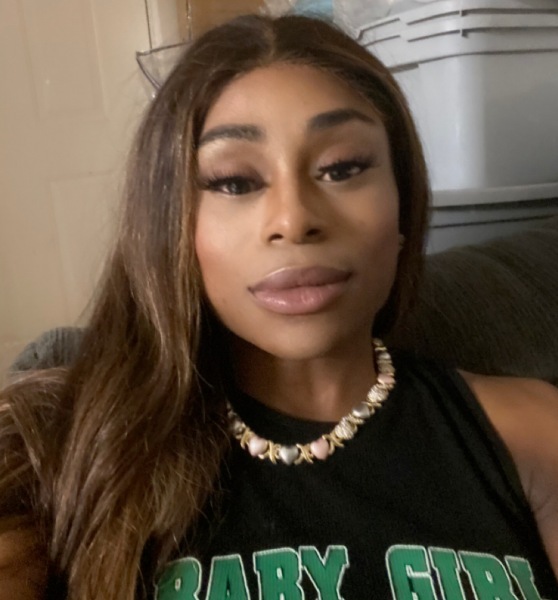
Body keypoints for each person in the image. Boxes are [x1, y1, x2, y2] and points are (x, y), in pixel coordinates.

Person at [0, 13, 557, 600]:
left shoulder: (530, 430)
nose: (294, 219)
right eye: (234, 182)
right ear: (172, 229)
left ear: (403, 207)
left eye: (343, 168)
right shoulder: (64, 450)